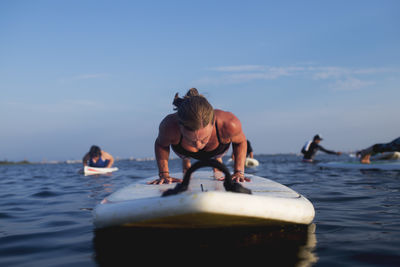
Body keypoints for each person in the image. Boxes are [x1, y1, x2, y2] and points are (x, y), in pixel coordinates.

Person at [149, 88, 248, 184]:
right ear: (180, 126)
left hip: (218, 150)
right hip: (184, 151)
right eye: (191, 140)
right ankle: (186, 160)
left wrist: (239, 172)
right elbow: (161, 145)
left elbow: (240, 142)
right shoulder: (169, 126)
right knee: (186, 166)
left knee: (217, 161)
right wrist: (164, 174)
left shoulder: (229, 124)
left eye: (204, 139)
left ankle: (216, 159)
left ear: (213, 122)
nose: (198, 145)